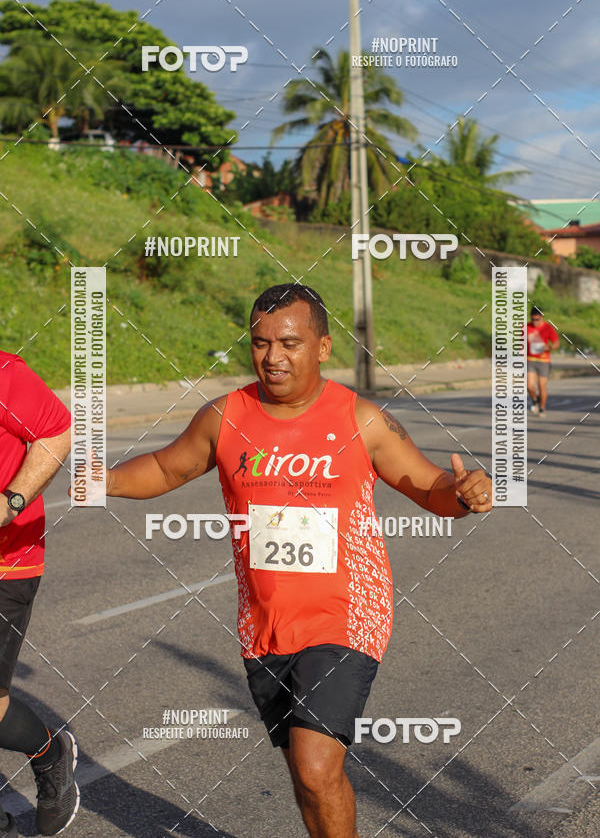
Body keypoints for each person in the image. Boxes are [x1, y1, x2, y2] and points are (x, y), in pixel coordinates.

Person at [99, 284, 492, 838]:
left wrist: (464, 491)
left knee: (314, 766)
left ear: (324, 347)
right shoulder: (225, 416)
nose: (273, 357)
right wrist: (106, 481)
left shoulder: (360, 419)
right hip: (264, 624)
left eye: (289, 343)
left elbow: (430, 487)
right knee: (307, 777)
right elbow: (168, 470)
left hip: (347, 615)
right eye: (260, 344)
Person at [0, 351, 79, 837]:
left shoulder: (4, 373)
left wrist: (10, 501)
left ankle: (51, 754)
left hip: (7, 561)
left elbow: (56, 432)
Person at [526, 305, 559, 418]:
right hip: (530, 360)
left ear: (542, 318)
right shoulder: (526, 327)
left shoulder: (548, 328)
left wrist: (548, 347)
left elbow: (556, 344)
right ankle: (535, 399)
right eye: (532, 319)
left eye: (537, 319)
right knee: (529, 386)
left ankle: (542, 408)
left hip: (544, 361)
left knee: (541, 385)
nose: (534, 322)